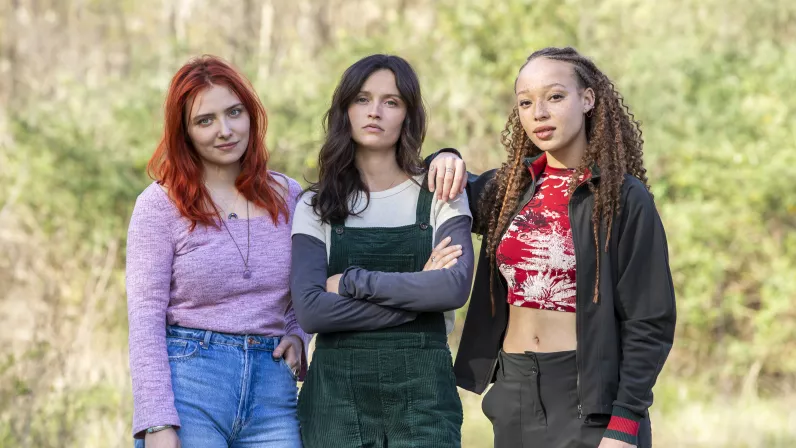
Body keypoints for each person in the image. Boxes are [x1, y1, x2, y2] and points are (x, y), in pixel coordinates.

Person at [428, 46, 676, 448]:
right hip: (514, 389)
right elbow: (441, 183)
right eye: (525, 102)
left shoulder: (623, 196)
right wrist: (445, 155)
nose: (539, 113)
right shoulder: (509, 189)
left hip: (588, 398)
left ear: (588, 99)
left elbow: (650, 319)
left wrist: (625, 423)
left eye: (555, 96)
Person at [290, 54, 474, 448]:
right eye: (362, 99)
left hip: (424, 400)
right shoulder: (315, 206)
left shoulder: (440, 192)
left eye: (391, 102)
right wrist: (418, 296)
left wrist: (352, 282)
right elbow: (311, 311)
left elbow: (453, 288)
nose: (375, 111)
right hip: (335, 403)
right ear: (345, 111)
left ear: (408, 115)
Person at [126, 55, 310, 448]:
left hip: (273, 393)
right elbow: (145, 317)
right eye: (205, 120)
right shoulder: (160, 205)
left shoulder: (289, 195)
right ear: (185, 132)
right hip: (191, 390)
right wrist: (156, 421)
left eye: (234, 112)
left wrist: (298, 335)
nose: (225, 131)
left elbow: (305, 284)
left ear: (251, 115)